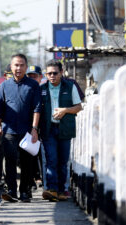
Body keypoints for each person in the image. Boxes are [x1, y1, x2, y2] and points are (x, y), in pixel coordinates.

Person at [0, 54, 41, 203]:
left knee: (27, 162)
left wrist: (34, 128)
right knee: (10, 161)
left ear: (26, 67)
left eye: (21, 65)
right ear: (11, 66)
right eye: (16, 65)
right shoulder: (4, 86)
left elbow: (37, 108)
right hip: (9, 131)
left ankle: (25, 191)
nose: (18, 68)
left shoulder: (33, 85)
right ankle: (12, 190)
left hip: (27, 131)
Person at [40, 59, 82, 202]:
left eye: (55, 73)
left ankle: (61, 190)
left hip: (64, 128)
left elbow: (78, 107)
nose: (52, 76)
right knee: (51, 159)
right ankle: (51, 189)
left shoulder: (70, 87)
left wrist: (65, 110)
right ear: (46, 75)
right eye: (49, 73)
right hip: (48, 129)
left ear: (61, 73)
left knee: (63, 161)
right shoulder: (42, 89)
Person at [27, 65, 44, 190]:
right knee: (30, 153)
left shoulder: (45, 89)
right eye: (30, 76)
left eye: (35, 76)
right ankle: (32, 179)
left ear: (40, 77)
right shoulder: (25, 89)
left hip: (43, 127)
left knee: (43, 154)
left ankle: (42, 178)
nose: (33, 79)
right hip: (29, 127)